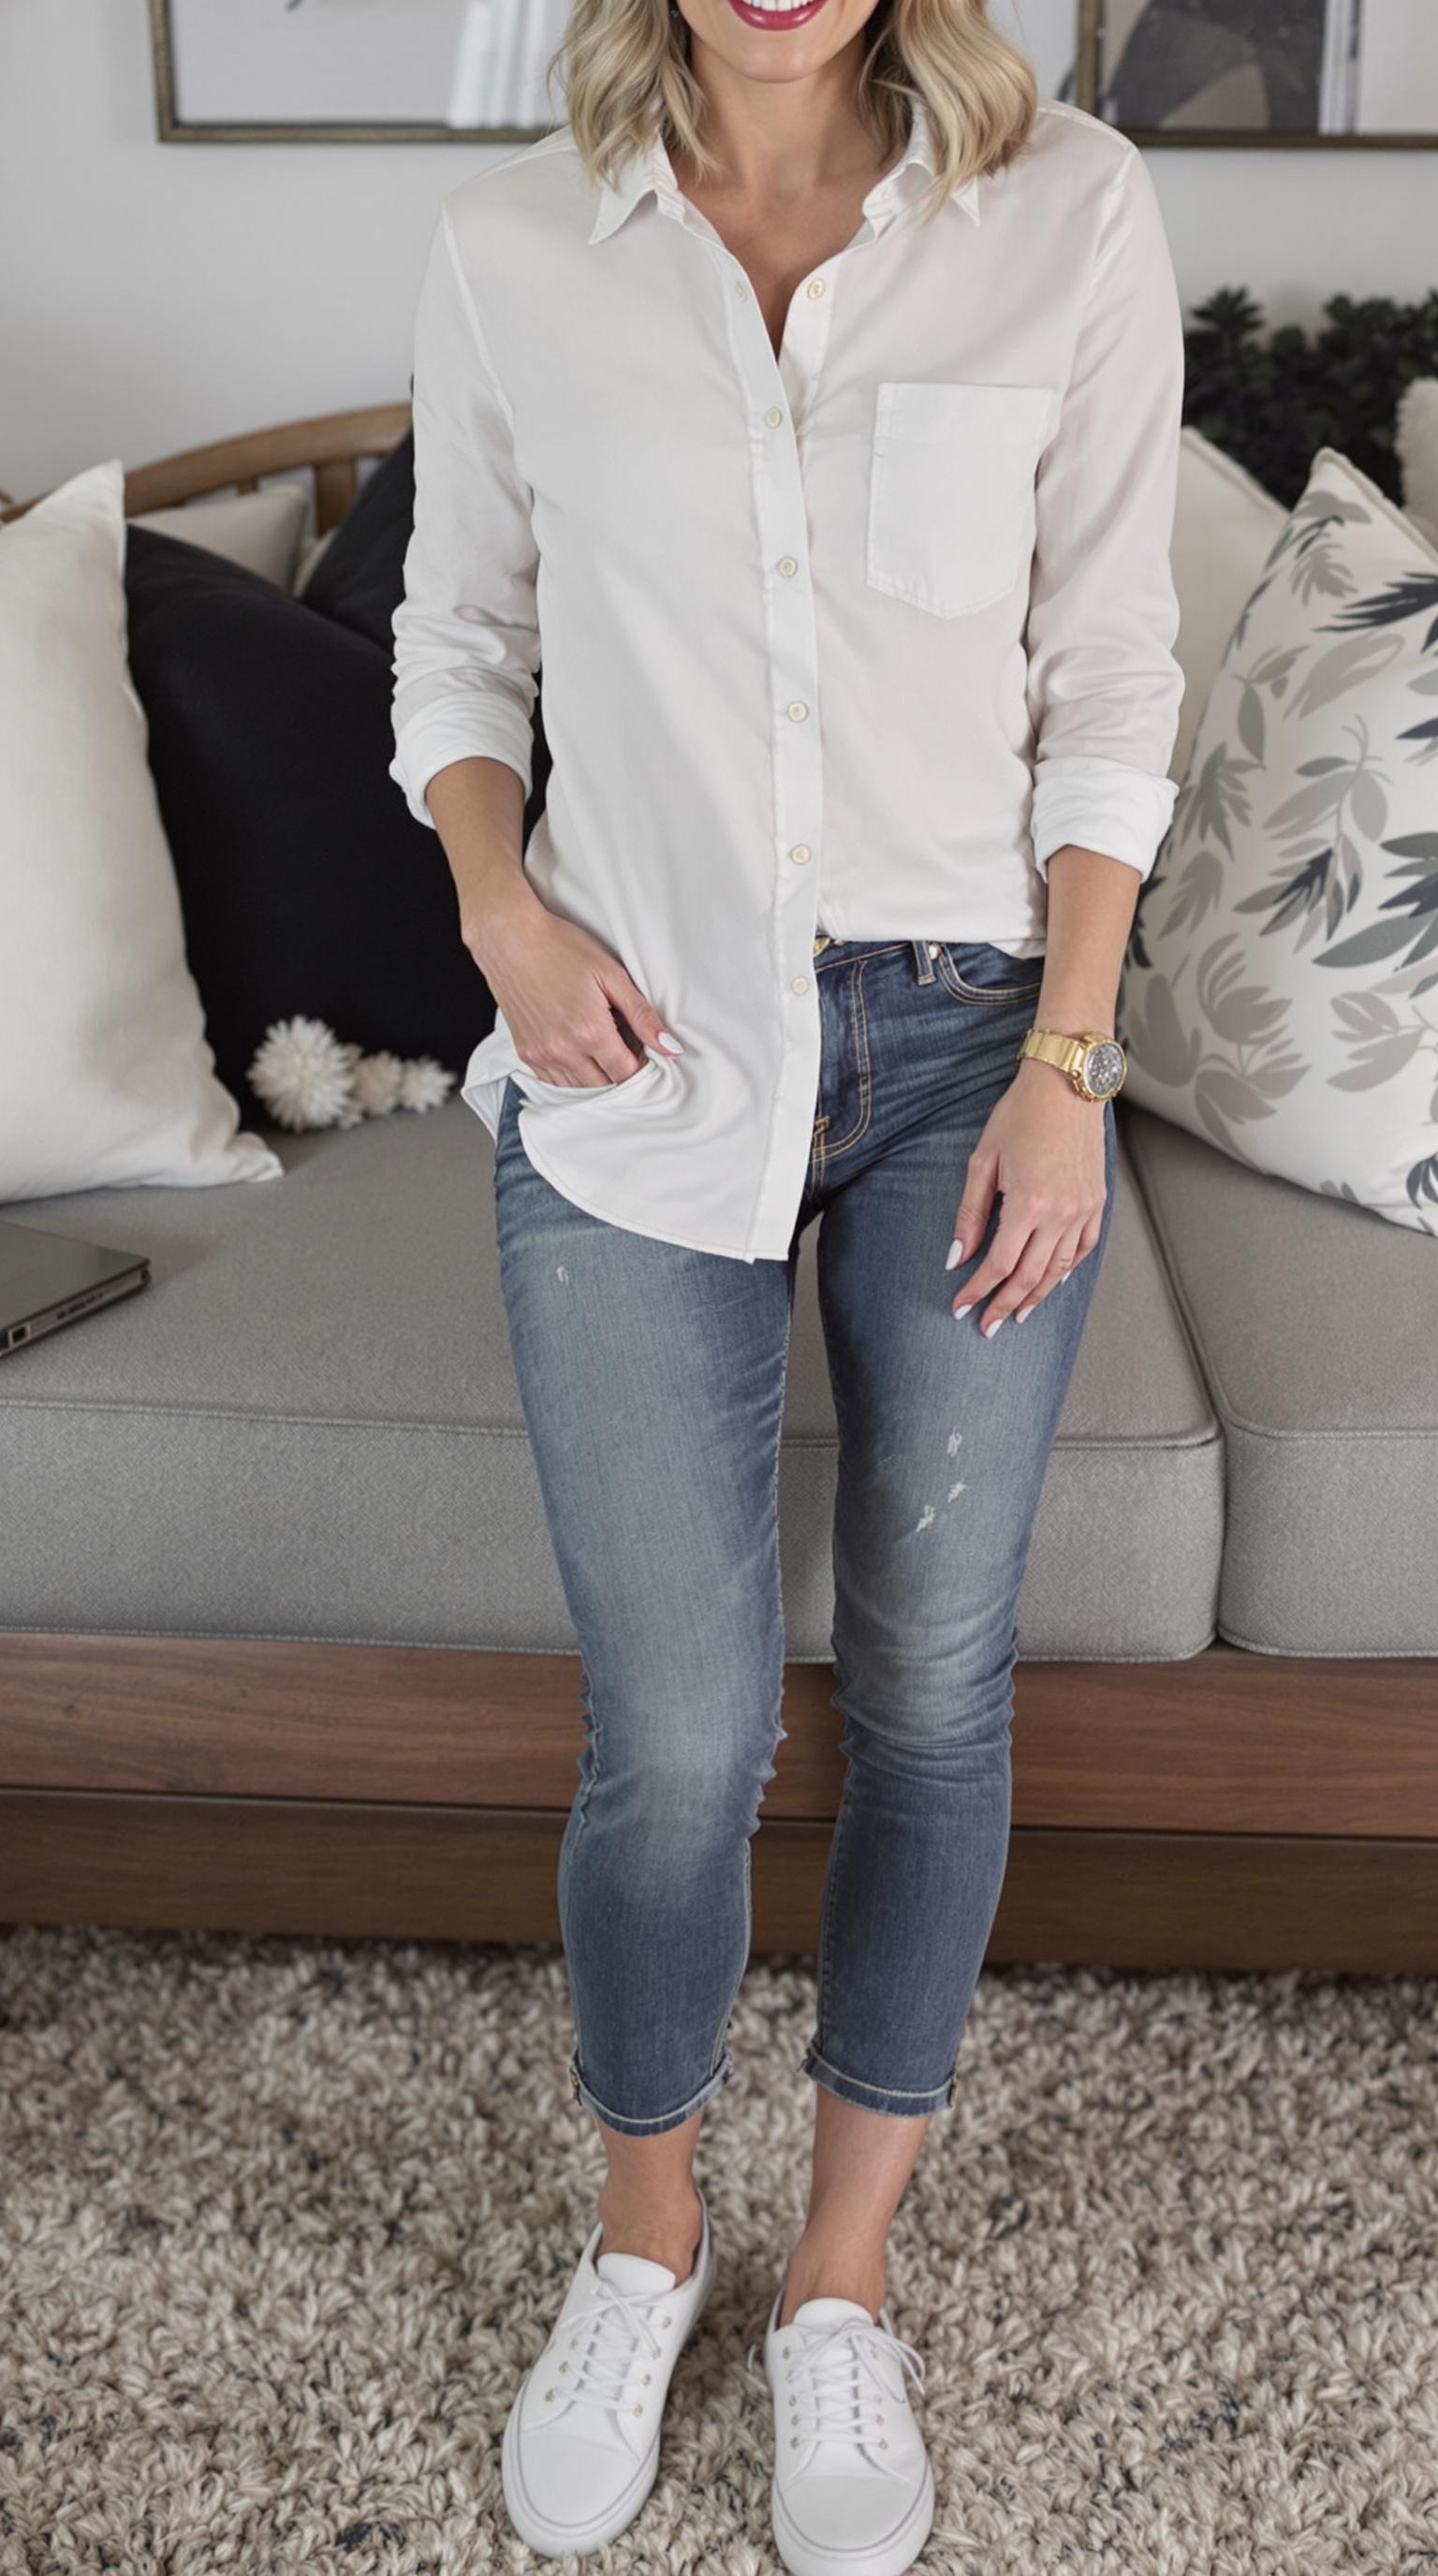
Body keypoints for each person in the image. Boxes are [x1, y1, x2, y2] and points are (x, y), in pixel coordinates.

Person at [389, 2, 1184, 2566]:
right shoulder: (523, 249)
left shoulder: (1061, 215)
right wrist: (501, 918)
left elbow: (1114, 680)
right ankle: (648, 2241)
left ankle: (839, 2287)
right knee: (685, 1727)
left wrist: (1075, 1058)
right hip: (639, 1046)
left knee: (939, 1681)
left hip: (977, 1043)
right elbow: (455, 647)